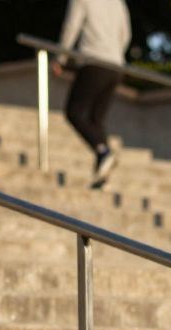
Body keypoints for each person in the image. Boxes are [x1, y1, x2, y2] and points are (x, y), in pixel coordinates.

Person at [52, 0, 131, 189]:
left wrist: (60, 58)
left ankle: (103, 152)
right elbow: (126, 34)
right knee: (96, 120)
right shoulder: (117, 2)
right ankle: (101, 176)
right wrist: (116, 54)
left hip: (94, 61)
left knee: (74, 112)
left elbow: (71, 27)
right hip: (115, 66)